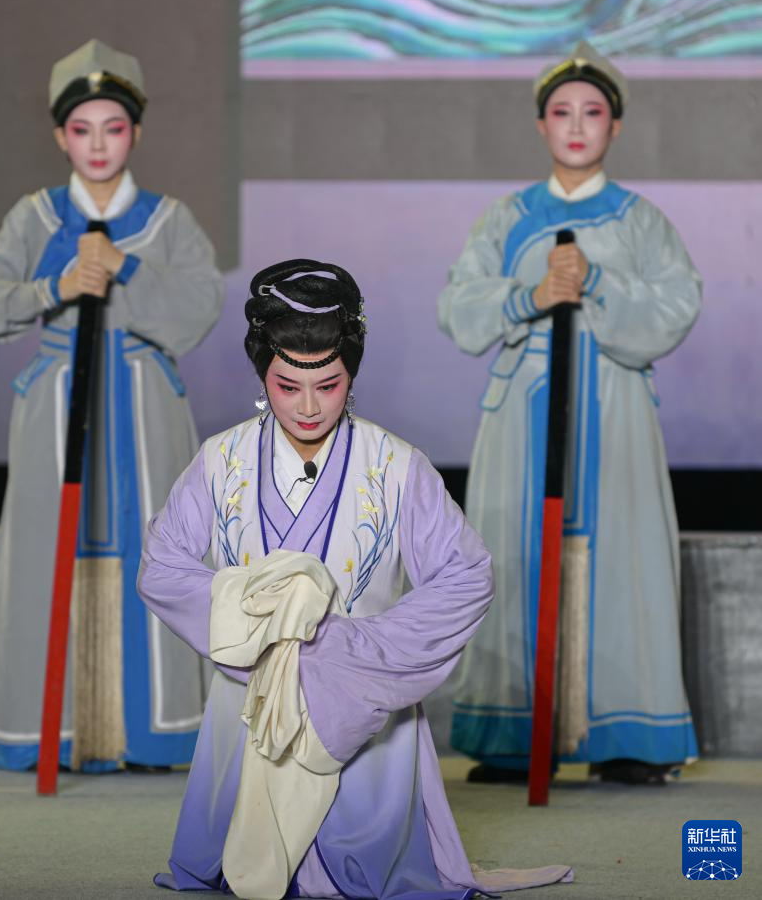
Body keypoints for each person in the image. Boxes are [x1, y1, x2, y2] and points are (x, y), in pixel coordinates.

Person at [138, 260, 572, 898]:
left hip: (362, 705)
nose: (309, 406)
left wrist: (362, 650)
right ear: (262, 375)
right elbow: (162, 566)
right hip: (252, 701)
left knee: (368, 859)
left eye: (329, 384)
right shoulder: (220, 460)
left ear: (352, 374)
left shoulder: (396, 465)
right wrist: (254, 620)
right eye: (287, 386)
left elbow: (466, 574)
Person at [0, 38, 223, 772]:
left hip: (143, 401)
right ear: (59, 136)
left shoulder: (168, 220)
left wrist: (125, 267)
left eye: (113, 127)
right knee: (49, 551)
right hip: (57, 400)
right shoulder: (35, 218)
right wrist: (56, 286)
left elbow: (200, 307)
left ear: (136, 132)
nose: (98, 145)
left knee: (155, 547)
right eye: (81, 129)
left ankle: (153, 731)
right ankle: (54, 733)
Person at [438, 42, 702, 785]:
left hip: (614, 406)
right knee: (516, 552)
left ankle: (628, 736)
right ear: (540, 124)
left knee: (622, 555)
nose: (577, 125)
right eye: (562, 112)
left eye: (593, 112)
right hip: (522, 411)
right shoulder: (509, 216)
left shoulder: (641, 221)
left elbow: (678, 303)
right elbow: (458, 305)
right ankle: (514, 735)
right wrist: (532, 296)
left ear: (615, 125)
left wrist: (597, 285)